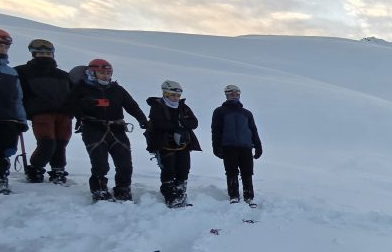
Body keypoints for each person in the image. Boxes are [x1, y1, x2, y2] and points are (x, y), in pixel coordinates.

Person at [63, 58, 148, 202]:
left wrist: (143, 120)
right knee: (100, 164)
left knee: (125, 164)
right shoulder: (81, 88)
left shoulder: (117, 89)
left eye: (109, 73)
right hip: (93, 129)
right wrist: (85, 104)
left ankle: (123, 189)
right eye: (102, 73)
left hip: (117, 129)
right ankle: (99, 190)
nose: (106, 76)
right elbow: (67, 107)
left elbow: (132, 106)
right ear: (92, 72)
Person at [14, 39, 74, 185]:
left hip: (64, 113)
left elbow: (74, 95)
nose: (45, 56)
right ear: (33, 54)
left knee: (61, 144)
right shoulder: (22, 71)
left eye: (48, 53)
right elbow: (16, 94)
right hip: (41, 113)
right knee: (47, 143)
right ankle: (35, 168)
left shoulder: (63, 75)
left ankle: (58, 170)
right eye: (41, 53)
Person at [145, 80, 201, 208]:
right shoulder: (157, 106)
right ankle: (170, 195)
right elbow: (158, 123)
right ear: (165, 94)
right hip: (164, 143)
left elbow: (194, 123)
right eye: (173, 95)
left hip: (182, 144)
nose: (176, 98)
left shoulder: (183, 107)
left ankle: (180, 194)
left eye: (178, 95)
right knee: (168, 169)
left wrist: (180, 125)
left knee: (184, 168)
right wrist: (179, 125)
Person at [211, 84, 262, 205]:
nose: (234, 96)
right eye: (231, 94)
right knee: (231, 172)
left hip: (246, 147)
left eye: (236, 94)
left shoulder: (247, 113)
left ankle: (249, 197)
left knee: (247, 172)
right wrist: (216, 147)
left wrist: (258, 146)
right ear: (226, 95)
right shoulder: (219, 111)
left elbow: (253, 130)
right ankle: (234, 196)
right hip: (228, 147)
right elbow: (216, 130)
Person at [0, 28, 28, 195]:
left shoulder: (11, 72)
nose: (3, 49)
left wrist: (21, 119)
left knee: (4, 150)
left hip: (7, 118)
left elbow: (17, 98)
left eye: (6, 46)